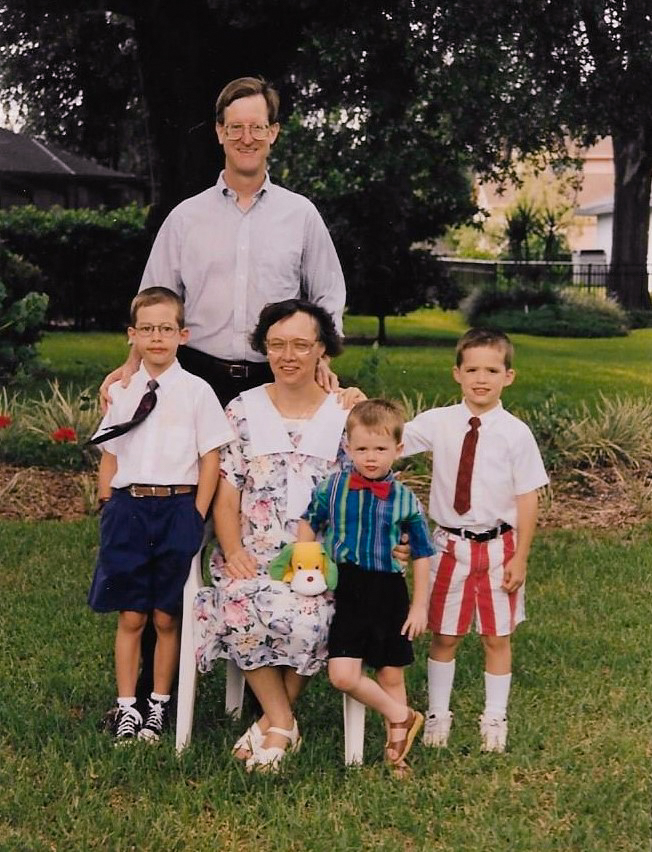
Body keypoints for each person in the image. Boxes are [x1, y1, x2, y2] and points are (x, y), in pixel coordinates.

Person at [101, 75, 346, 409]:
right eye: (235, 128)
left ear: (273, 132)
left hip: (278, 378)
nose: (247, 138)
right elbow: (154, 302)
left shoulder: (301, 215)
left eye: (257, 127)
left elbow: (328, 294)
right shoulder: (185, 218)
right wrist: (134, 363)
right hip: (196, 377)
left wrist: (322, 359)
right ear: (219, 132)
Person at [88, 287, 234, 743]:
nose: (156, 338)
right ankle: (127, 706)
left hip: (177, 507)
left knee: (167, 616)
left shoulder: (197, 392)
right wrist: (107, 502)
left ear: (182, 335)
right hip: (129, 508)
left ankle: (158, 705)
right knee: (132, 615)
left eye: (166, 329)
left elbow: (210, 457)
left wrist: (196, 512)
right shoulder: (121, 391)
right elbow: (111, 452)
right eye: (147, 329)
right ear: (132, 335)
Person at [401, 328, 549, 753]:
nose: (481, 379)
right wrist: (351, 403)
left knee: (496, 637)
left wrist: (520, 558)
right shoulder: (439, 422)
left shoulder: (515, 433)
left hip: (500, 548)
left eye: (492, 370)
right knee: (445, 636)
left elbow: (527, 497)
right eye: (472, 370)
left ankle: (495, 717)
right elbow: (390, 440)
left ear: (509, 376)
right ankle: (437, 714)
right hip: (449, 546)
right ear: (457, 374)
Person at [297, 399, 434, 775]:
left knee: (390, 673)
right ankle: (402, 715)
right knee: (342, 675)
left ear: (398, 449)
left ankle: (397, 755)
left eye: (380, 449)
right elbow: (309, 521)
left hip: (388, 592)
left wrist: (420, 606)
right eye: (361, 449)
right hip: (347, 589)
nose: (370, 457)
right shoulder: (333, 488)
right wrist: (305, 561)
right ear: (347, 447)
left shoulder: (405, 500)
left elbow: (422, 553)